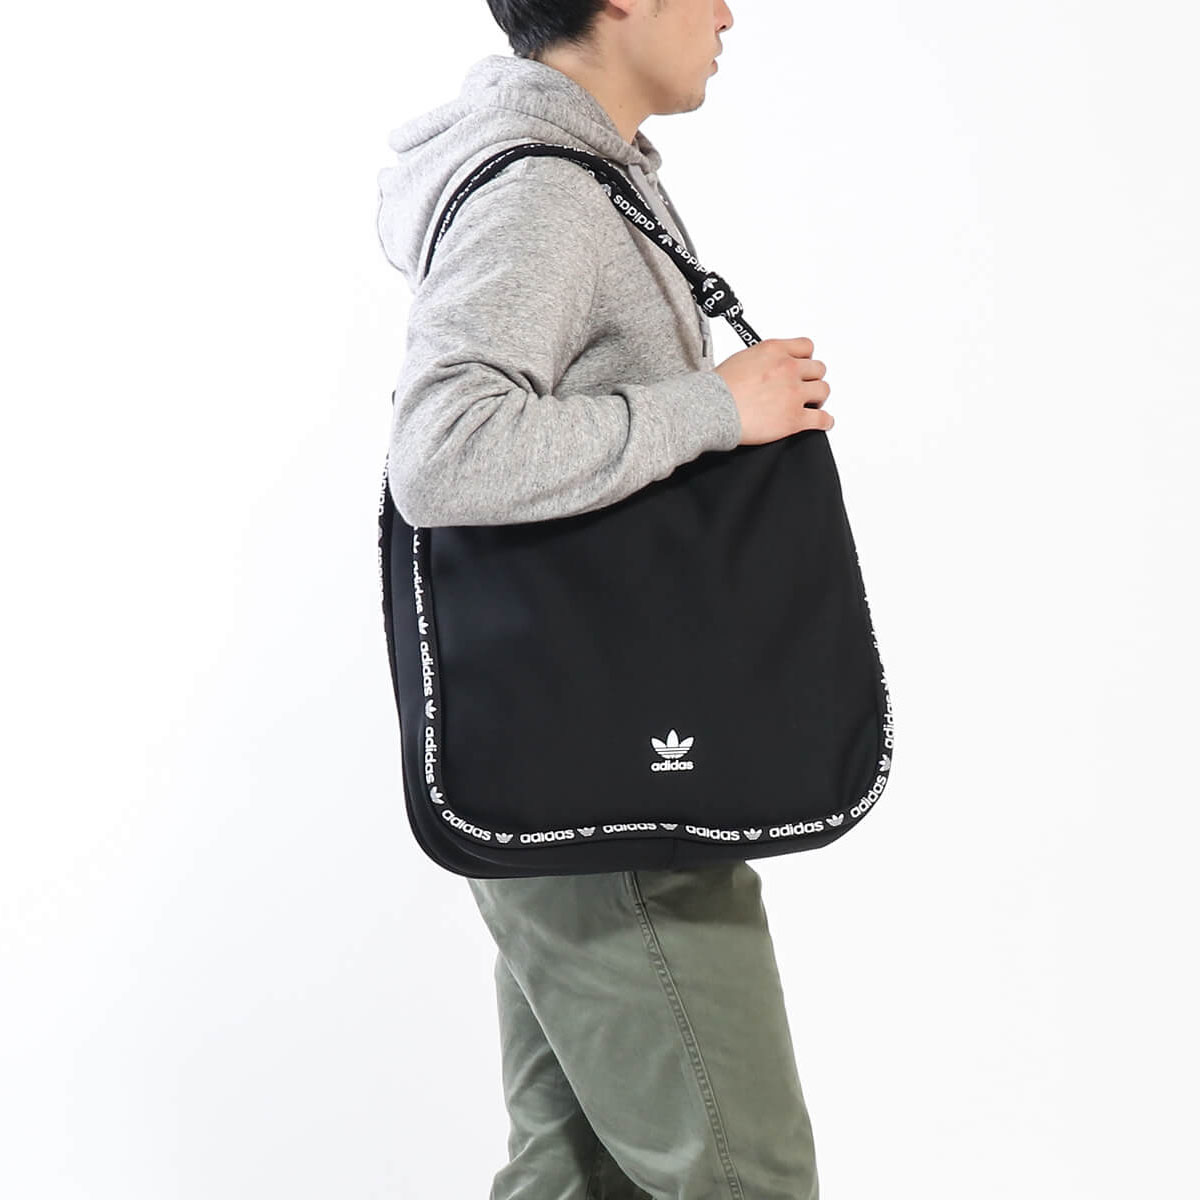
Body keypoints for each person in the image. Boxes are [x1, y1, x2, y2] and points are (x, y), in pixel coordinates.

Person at [376, 2, 832, 1196]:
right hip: (612, 783)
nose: (728, 11)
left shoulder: (591, 179)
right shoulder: (544, 193)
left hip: (578, 759)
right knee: (745, 1177)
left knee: (576, 1175)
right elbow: (443, 451)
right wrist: (714, 408)